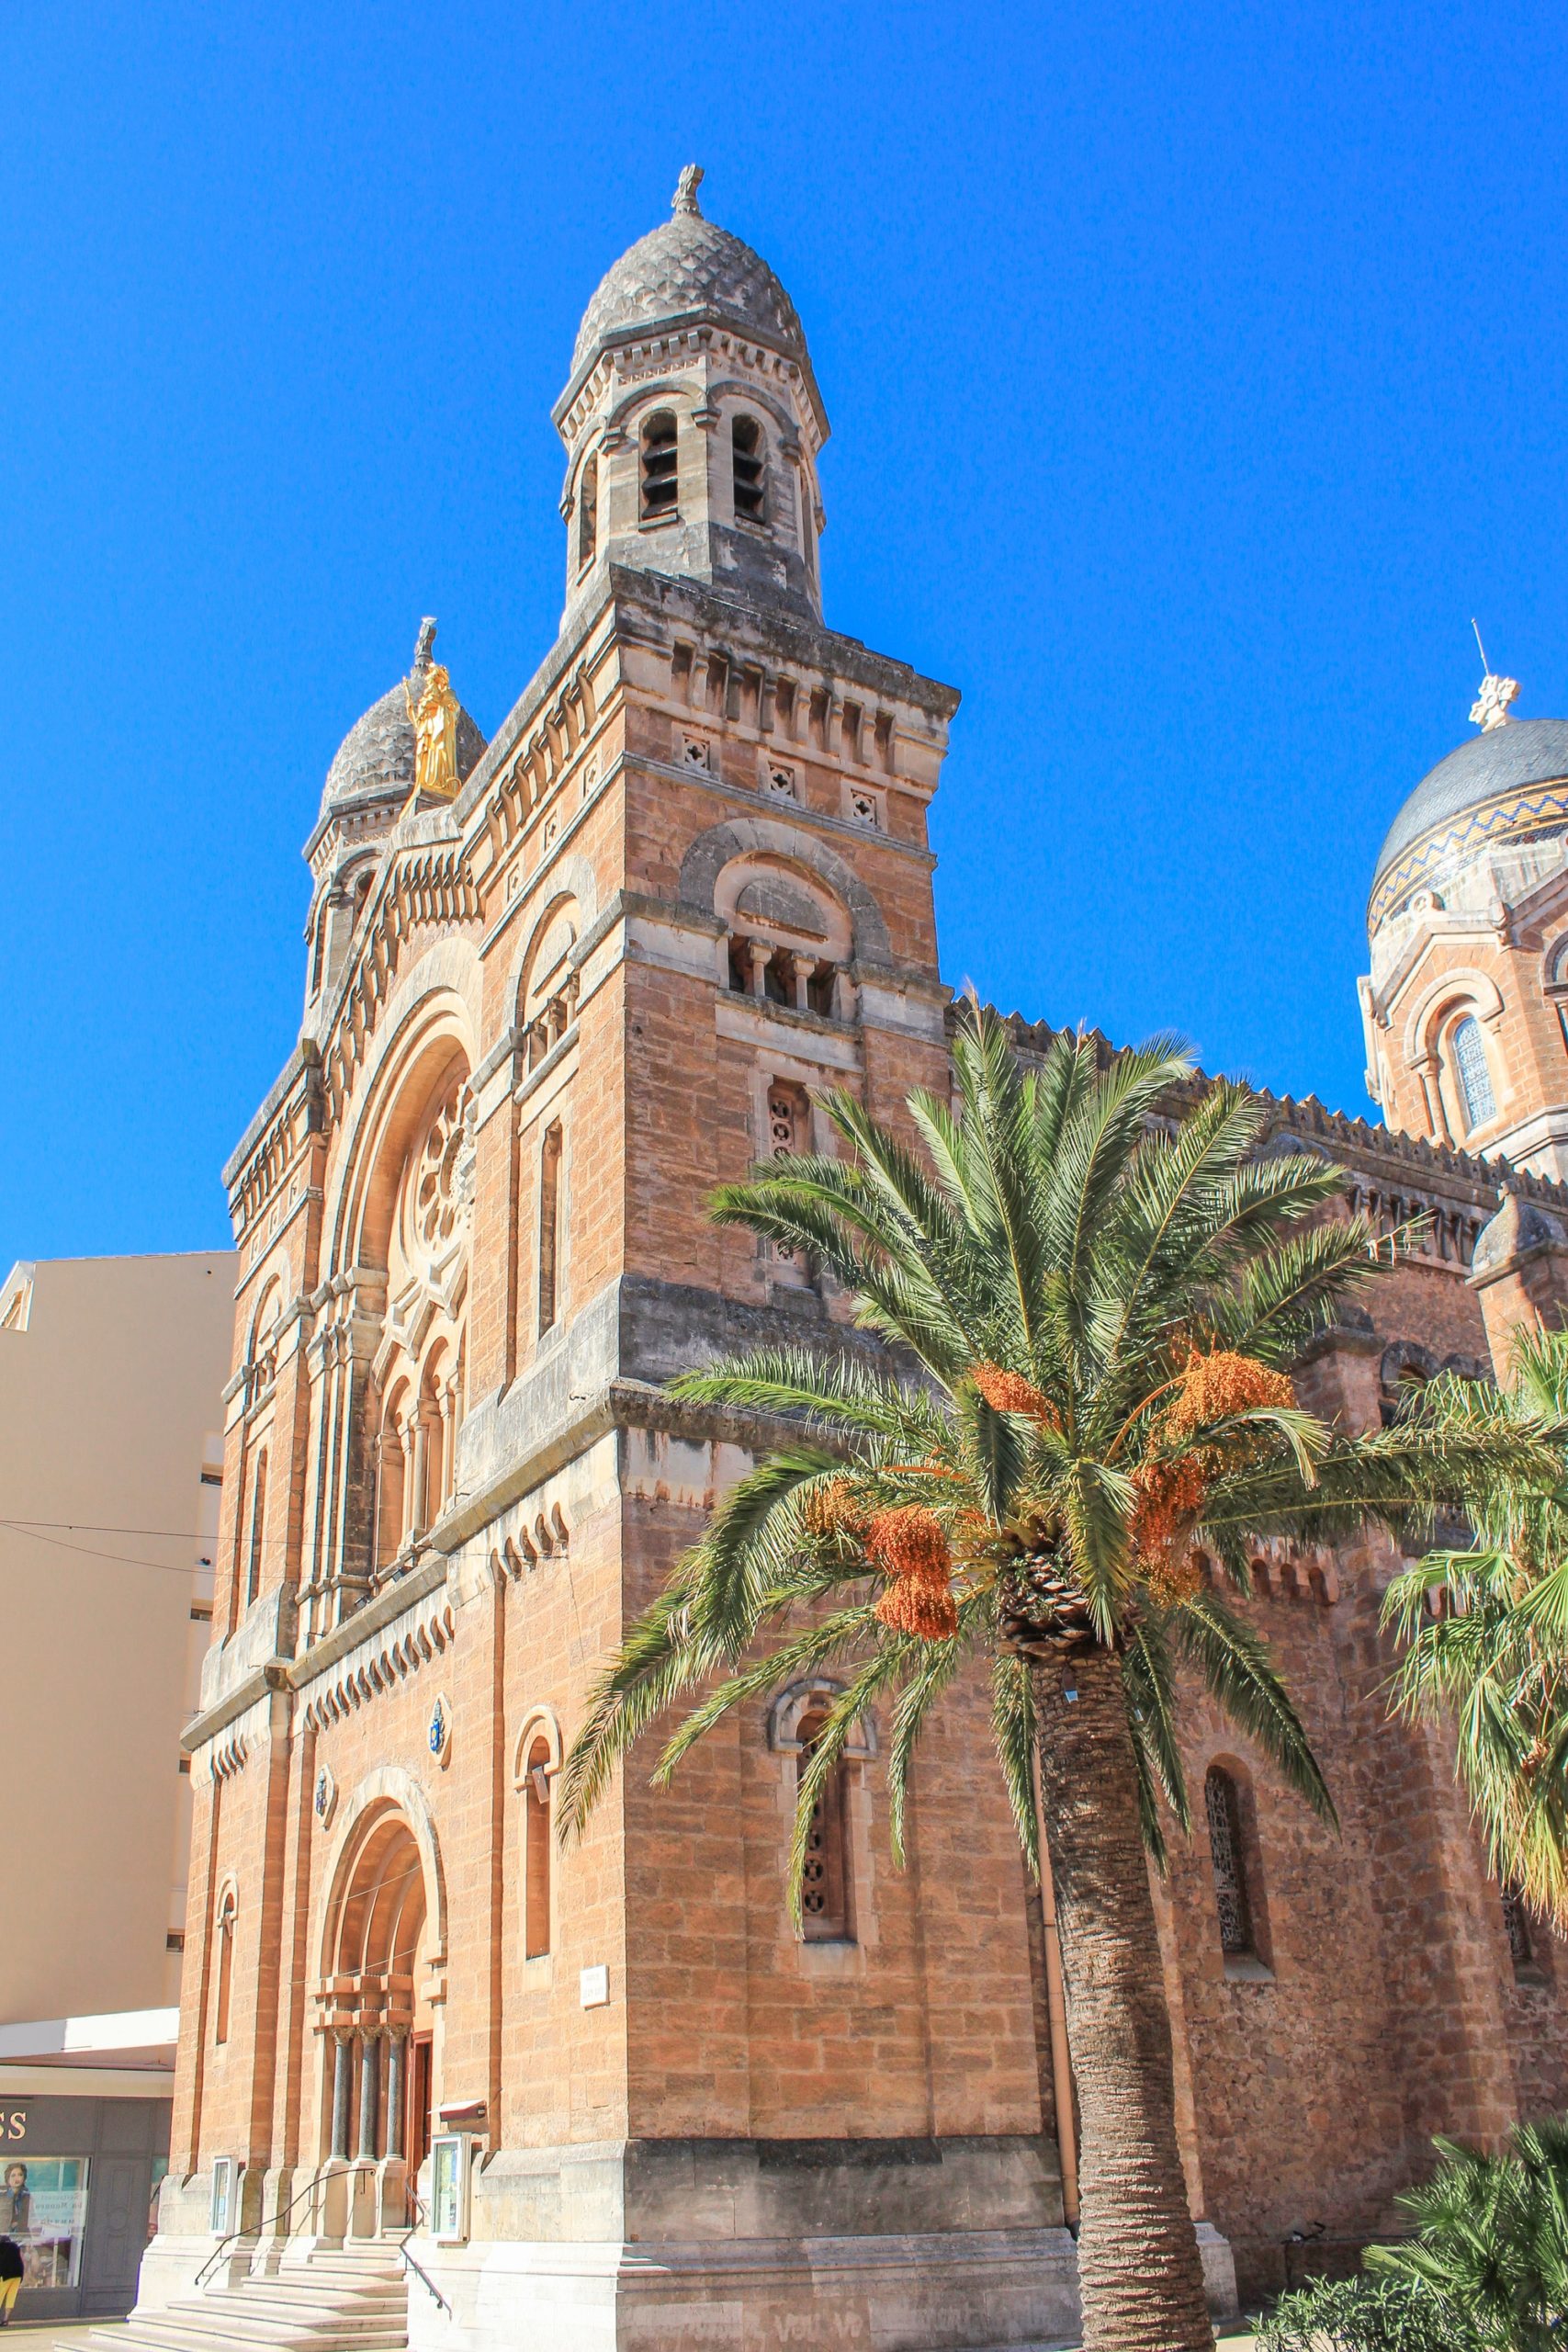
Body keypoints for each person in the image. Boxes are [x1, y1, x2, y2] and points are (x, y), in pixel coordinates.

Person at [0, 2233, 22, 2327]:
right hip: (18, 2275)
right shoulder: (16, 2247)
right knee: (11, 2297)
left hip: (5, 2275)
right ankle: (6, 2319)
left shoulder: (1, 2247)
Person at [0, 2170, 27, 2238]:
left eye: (20, 2175)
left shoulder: (26, 2196)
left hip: (20, 2238)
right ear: (8, 2179)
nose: (17, 2178)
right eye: (13, 2175)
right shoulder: (2, 2195)